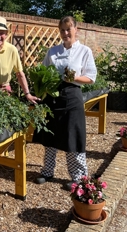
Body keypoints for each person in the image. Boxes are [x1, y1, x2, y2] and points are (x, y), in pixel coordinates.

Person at [33, 16, 97, 190]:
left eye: (69, 29)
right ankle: (47, 171)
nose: (65, 33)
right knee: (50, 135)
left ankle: (78, 177)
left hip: (72, 96)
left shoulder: (84, 51)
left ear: (76, 29)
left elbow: (91, 77)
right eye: (62, 30)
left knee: (73, 137)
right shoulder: (52, 52)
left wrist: (74, 77)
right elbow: (44, 71)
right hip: (52, 97)